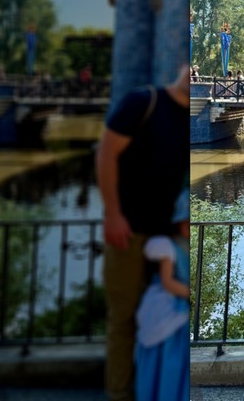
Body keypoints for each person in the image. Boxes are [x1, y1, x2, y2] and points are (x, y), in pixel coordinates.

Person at [96, 64, 190, 400]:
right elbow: (106, 154)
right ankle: (120, 393)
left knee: (169, 321)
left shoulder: (191, 117)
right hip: (130, 230)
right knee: (124, 318)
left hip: (174, 237)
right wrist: (113, 214)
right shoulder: (143, 102)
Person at [134, 189, 190, 401]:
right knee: (169, 354)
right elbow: (168, 282)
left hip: (183, 299)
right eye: (186, 223)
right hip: (170, 299)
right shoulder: (169, 247)